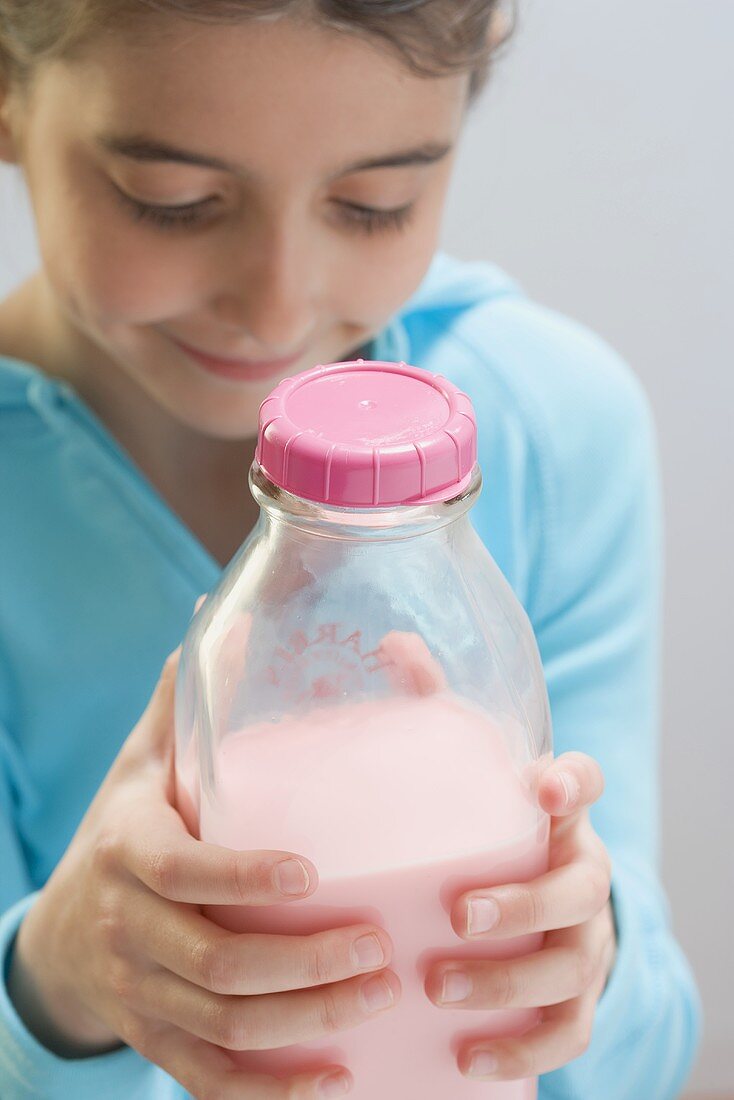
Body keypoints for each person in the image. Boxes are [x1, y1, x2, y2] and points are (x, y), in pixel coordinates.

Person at [0, 2, 702, 1098]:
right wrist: (57, 977)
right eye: (171, 203)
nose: (275, 305)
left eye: (374, 206)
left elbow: (649, 1053)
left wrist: (575, 947)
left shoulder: (554, 431)